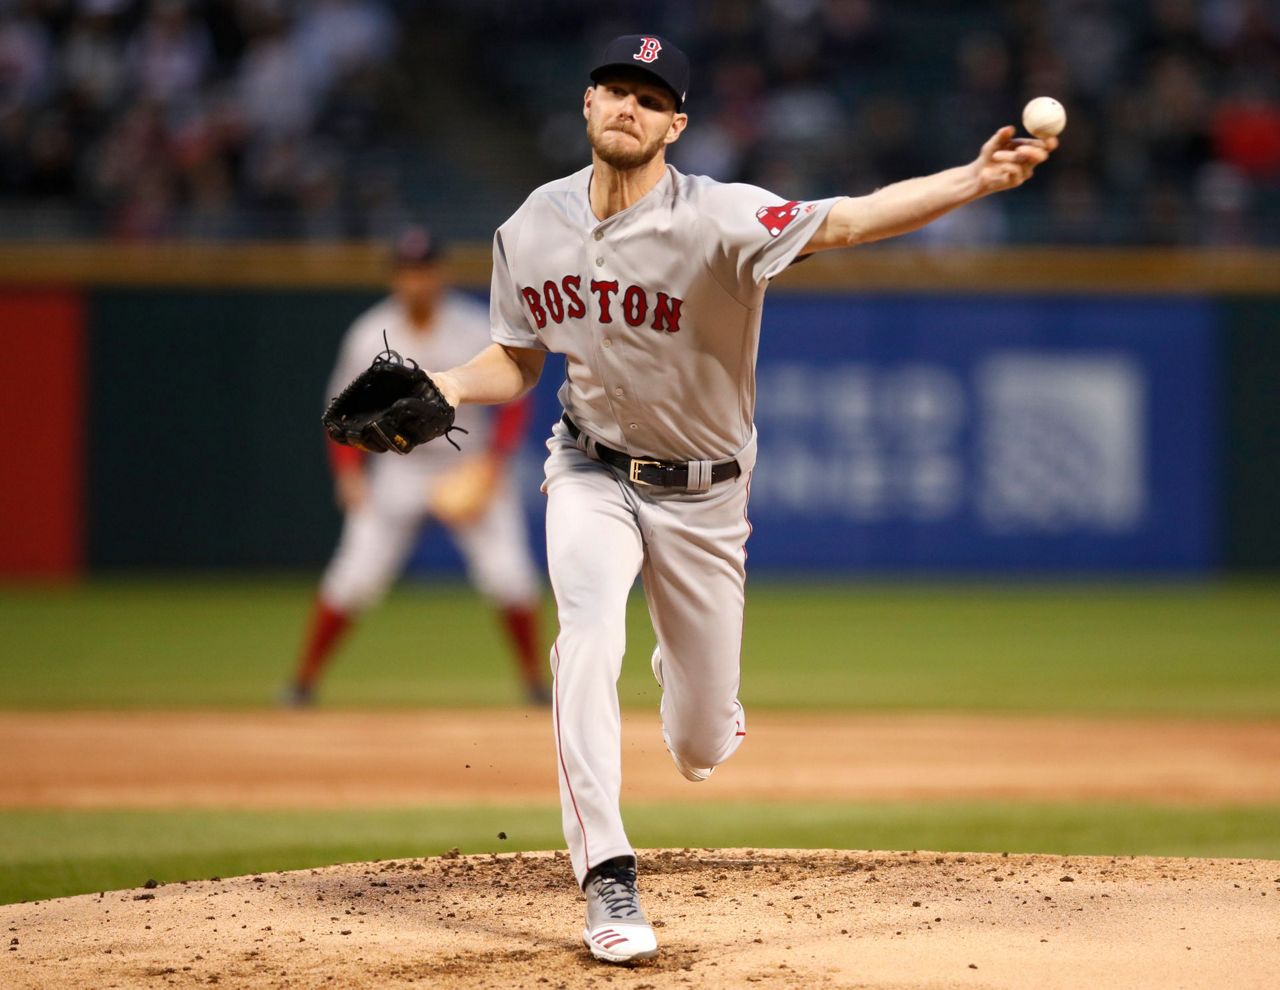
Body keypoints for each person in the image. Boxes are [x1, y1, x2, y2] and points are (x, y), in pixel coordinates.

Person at [428, 34, 1057, 963]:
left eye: (649, 97)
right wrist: (443, 387)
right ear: (588, 105)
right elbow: (519, 358)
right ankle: (607, 877)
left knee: (699, 746)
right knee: (586, 638)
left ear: (676, 123)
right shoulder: (531, 225)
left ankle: (704, 709)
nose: (627, 107)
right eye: (613, 90)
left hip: (706, 498)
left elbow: (850, 220)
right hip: (589, 467)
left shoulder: (722, 217)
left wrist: (972, 180)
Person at [283, 225, 550, 707]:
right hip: (398, 469)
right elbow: (340, 416)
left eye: (424, 270)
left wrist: (494, 465)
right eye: (408, 272)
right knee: (353, 578)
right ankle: (302, 683)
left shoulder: (472, 326)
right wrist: (347, 475)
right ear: (394, 278)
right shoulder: (368, 334)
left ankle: (536, 684)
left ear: (440, 274)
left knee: (510, 577)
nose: (417, 281)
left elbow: (514, 395)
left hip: (466, 462)